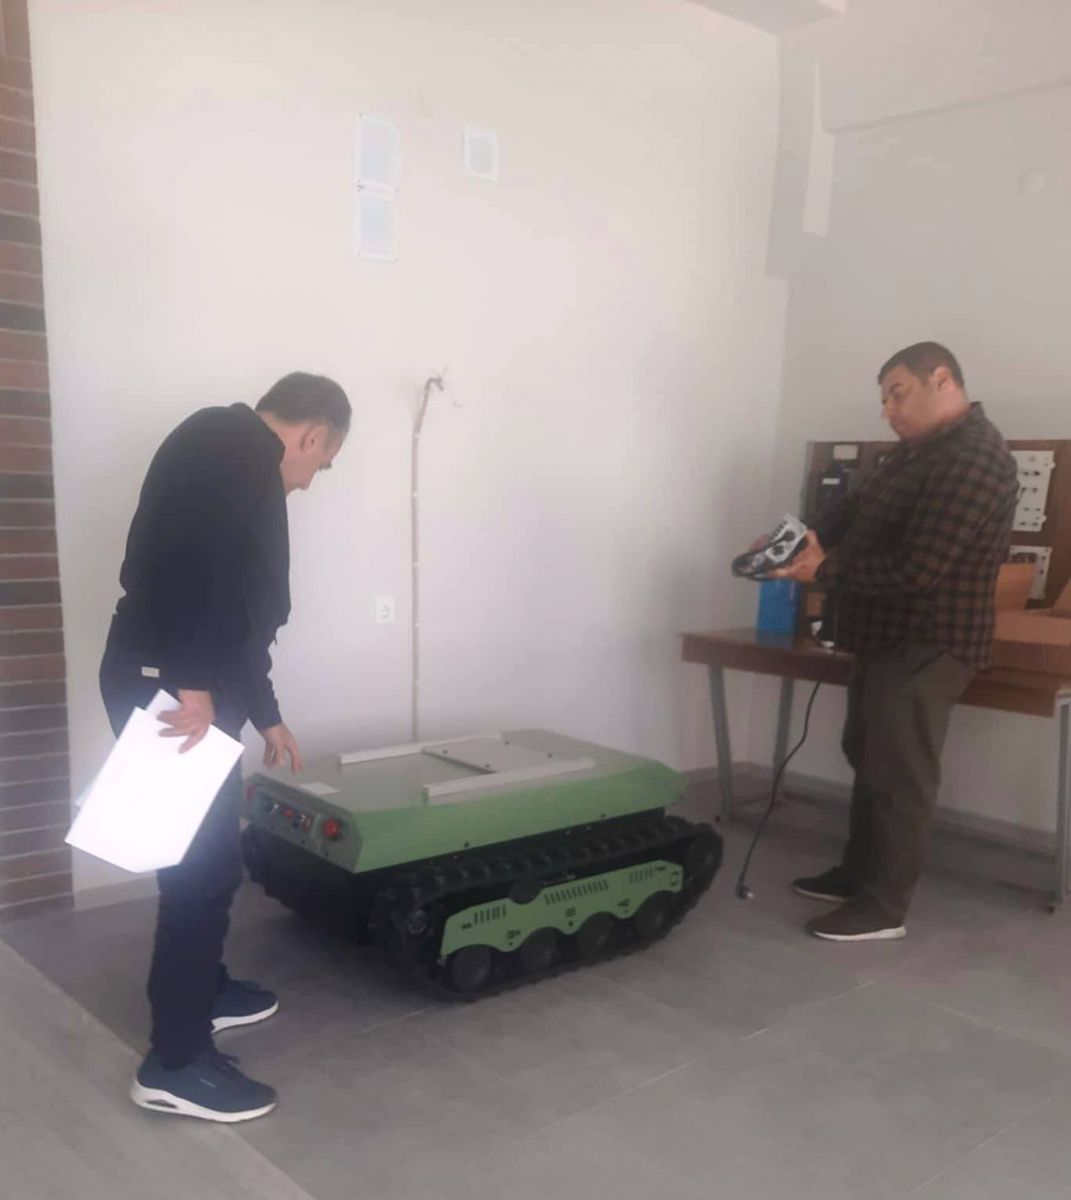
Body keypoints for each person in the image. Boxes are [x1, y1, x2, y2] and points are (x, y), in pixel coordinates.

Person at [99, 372, 350, 1120]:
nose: (311, 481)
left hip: (187, 682)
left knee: (208, 859)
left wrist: (265, 713)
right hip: (172, 686)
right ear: (312, 435)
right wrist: (192, 682)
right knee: (200, 870)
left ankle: (202, 989)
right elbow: (186, 568)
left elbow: (238, 612)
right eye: (323, 463)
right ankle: (174, 1063)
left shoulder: (236, 453)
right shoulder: (227, 442)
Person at [771, 343, 1018, 942]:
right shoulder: (916, 454)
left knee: (900, 775)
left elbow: (918, 569)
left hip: (929, 643)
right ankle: (858, 875)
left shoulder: (976, 458)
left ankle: (884, 908)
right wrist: (797, 538)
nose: (888, 410)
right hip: (885, 637)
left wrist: (823, 570)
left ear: (942, 379)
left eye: (898, 394)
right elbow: (852, 511)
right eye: (883, 399)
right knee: (867, 754)